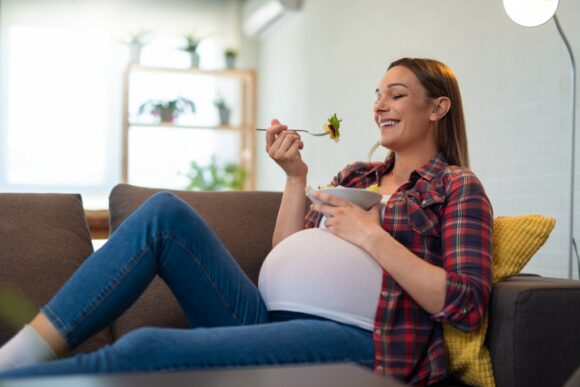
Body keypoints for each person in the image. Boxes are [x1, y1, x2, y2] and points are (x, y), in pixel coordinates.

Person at [0, 58, 492, 385]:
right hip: (265, 316)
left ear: (438, 108)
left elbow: (466, 304)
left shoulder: (454, 186)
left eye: (397, 95)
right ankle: (17, 355)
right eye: (378, 95)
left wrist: (372, 237)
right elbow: (287, 253)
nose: (379, 104)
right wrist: (295, 177)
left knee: (145, 346)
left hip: (361, 340)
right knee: (163, 214)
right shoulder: (355, 176)